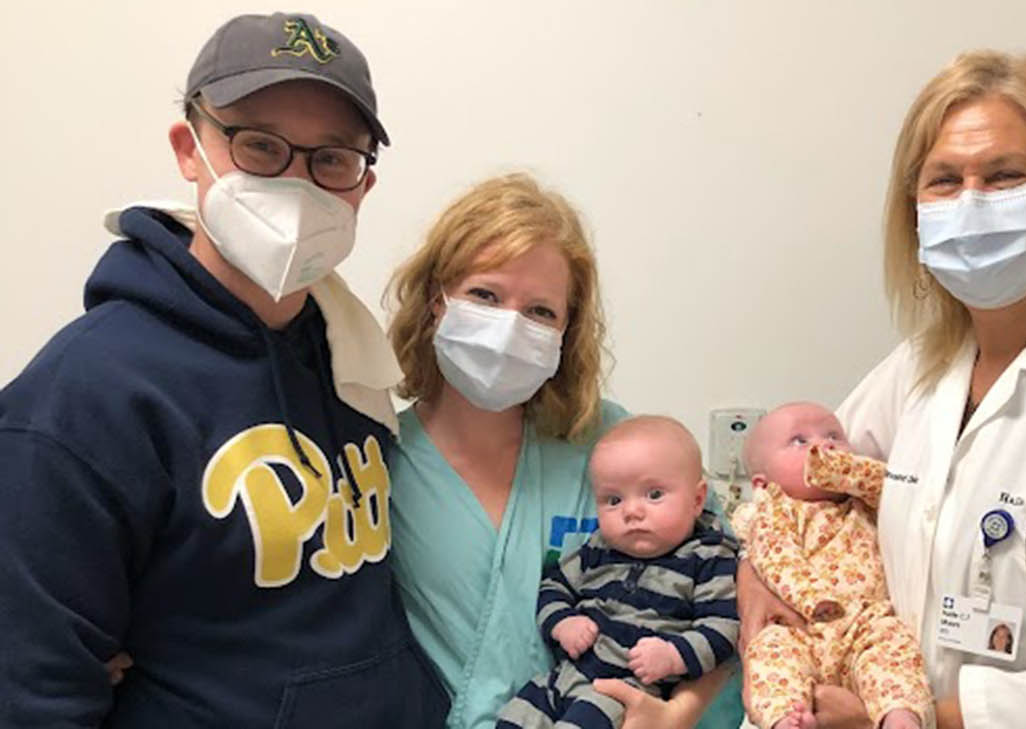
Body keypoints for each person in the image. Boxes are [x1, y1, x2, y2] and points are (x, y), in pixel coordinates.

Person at [739, 50, 1026, 729]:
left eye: (1004, 176)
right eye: (943, 181)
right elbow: (799, 492)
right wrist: (755, 575)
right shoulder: (916, 371)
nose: (970, 202)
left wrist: (921, 716)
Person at [0, 12, 447, 727]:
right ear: (190, 147)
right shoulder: (81, 398)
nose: (299, 185)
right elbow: (35, 691)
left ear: (363, 183)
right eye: (261, 146)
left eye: (332, 159)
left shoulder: (350, 357)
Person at [386, 173, 743, 729]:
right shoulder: (379, 462)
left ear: (565, 331)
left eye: (540, 312)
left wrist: (679, 715)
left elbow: (735, 599)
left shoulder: (614, 446)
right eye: (484, 295)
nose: (509, 327)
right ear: (437, 302)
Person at [496, 415, 740, 729]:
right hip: (563, 677)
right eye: (614, 500)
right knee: (513, 718)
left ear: (696, 500)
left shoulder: (709, 556)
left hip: (623, 690)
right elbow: (553, 586)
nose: (632, 511)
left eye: (654, 495)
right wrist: (562, 623)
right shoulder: (598, 549)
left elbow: (724, 629)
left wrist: (673, 655)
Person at [732, 403, 930, 729]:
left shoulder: (864, 504)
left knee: (894, 650)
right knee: (770, 654)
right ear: (761, 482)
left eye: (834, 436)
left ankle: (900, 714)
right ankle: (784, 718)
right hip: (800, 624)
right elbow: (776, 556)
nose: (822, 446)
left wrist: (849, 472)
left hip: (866, 619)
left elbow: (899, 491)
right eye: (799, 441)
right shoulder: (774, 508)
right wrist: (812, 599)